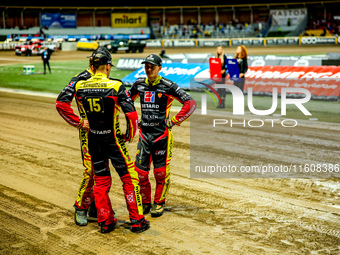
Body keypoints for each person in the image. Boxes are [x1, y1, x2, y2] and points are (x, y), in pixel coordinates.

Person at [73, 47, 149, 234]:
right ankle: (137, 220)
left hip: (93, 139)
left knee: (100, 181)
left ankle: (105, 222)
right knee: (129, 178)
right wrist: (130, 135)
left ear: (93, 65)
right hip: (113, 140)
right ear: (107, 66)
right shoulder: (115, 86)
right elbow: (131, 115)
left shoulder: (80, 86)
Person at [129, 54, 196, 217]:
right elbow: (125, 100)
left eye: (152, 66)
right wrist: (134, 119)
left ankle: (158, 203)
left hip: (162, 136)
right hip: (144, 136)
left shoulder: (168, 86)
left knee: (160, 173)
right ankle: (145, 202)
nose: (148, 68)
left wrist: (174, 120)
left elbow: (191, 103)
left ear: (160, 68)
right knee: (141, 173)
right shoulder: (138, 84)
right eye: (146, 65)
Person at [56, 49, 105, 227]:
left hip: (104, 133)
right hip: (88, 134)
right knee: (90, 171)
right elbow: (61, 103)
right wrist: (78, 122)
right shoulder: (80, 78)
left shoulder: (105, 80)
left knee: (102, 172)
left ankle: (93, 206)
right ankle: (80, 207)